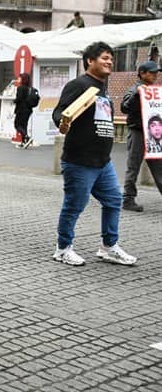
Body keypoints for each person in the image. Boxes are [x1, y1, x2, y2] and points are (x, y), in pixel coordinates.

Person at [51, 42, 136, 267]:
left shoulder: (102, 88)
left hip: (102, 162)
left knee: (113, 200)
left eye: (111, 58)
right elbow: (60, 112)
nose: (109, 61)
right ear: (90, 61)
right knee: (75, 204)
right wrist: (63, 122)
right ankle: (62, 248)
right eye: (104, 58)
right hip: (79, 161)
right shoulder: (79, 85)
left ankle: (108, 247)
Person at [120, 61, 162, 212]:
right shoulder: (134, 89)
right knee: (133, 167)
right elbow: (124, 108)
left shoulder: (155, 91)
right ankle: (128, 200)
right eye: (152, 72)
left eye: (157, 72)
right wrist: (137, 94)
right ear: (142, 73)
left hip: (152, 133)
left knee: (159, 167)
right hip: (137, 132)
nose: (156, 75)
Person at [13, 72, 34, 147]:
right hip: (28, 110)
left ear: (23, 79)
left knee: (17, 125)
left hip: (21, 110)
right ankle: (24, 142)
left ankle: (26, 137)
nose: (18, 79)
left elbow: (19, 99)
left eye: (19, 78)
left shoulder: (20, 88)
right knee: (24, 125)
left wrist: (14, 101)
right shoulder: (29, 88)